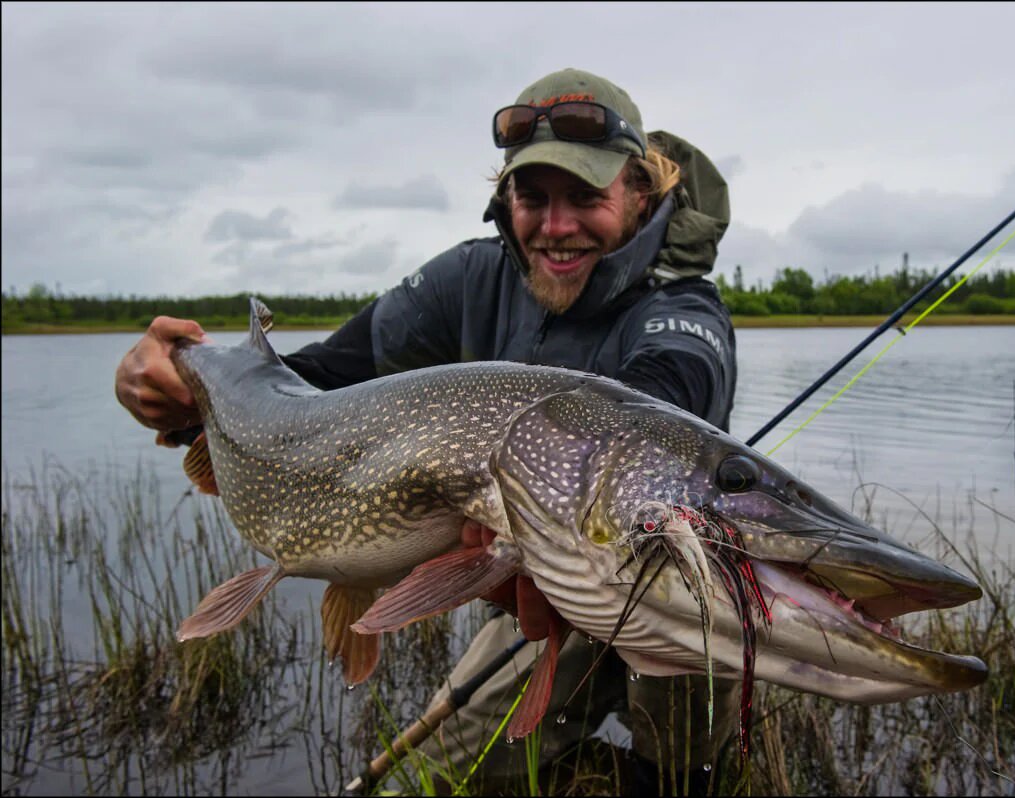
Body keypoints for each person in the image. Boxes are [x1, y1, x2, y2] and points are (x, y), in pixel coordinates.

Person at [114, 67, 739, 795]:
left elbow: (669, 393)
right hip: (524, 583)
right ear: (505, 198)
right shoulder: (468, 280)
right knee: (446, 777)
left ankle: (669, 773)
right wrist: (175, 392)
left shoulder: (685, 310)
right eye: (533, 197)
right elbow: (312, 383)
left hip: (658, 577)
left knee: (692, 692)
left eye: (586, 198)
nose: (557, 227)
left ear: (638, 191)